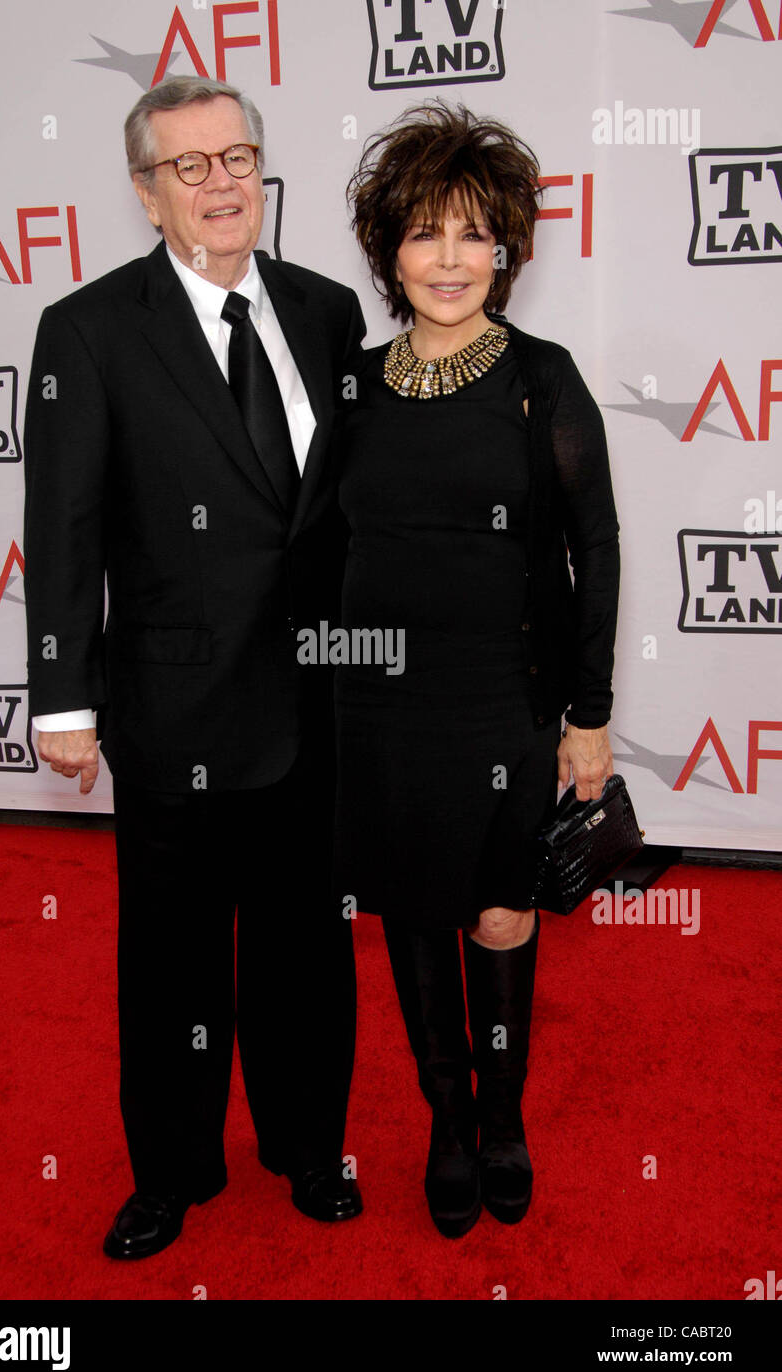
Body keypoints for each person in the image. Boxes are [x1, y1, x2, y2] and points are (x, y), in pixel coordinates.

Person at [23, 75, 366, 1259]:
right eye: (191, 166)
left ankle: (308, 1146)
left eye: (239, 159)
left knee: (307, 944)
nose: (223, 184)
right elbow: (64, 523)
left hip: (315, 697)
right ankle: (170, 1171)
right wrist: (63, 693)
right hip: (173, 701)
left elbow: (341, 515)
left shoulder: (326, 313)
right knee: (172, 960)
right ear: (144, 190)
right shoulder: (89, 329)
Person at [337, 101, 620, 1237]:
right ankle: (445, 1123)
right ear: (387, 251)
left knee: (500, 913)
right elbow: (320, 548)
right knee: (411, 914)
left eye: (470, 234)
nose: (447, 259)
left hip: (502, 701)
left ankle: (501, 1119)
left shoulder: (539, 378)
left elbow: (591, 547)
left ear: (504, 249)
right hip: (378, 708)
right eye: (422, 233)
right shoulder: (353, 385)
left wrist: (588, 713)